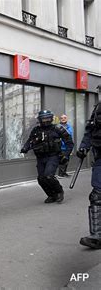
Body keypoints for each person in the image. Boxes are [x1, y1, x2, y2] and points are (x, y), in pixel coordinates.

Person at [20, 110, 74, 203]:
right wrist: (25, 148)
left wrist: (66, 155)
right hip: (40, 157)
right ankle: (51, 195)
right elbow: (30, 141)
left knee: (49, 176)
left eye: (47, 118)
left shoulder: (58, 128)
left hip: (53, 156)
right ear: (40, 119)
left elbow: (69, 142)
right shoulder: (36, 130)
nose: (45, 121)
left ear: (51, 118)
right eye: (43, 119)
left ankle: (59, 192)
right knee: (41, 179)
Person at [78, 102, 101, 249]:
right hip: (100, 157)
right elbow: (90, 130)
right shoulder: (98, 109)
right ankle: (97, 236)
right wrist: (83, 147)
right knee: (97, 195)